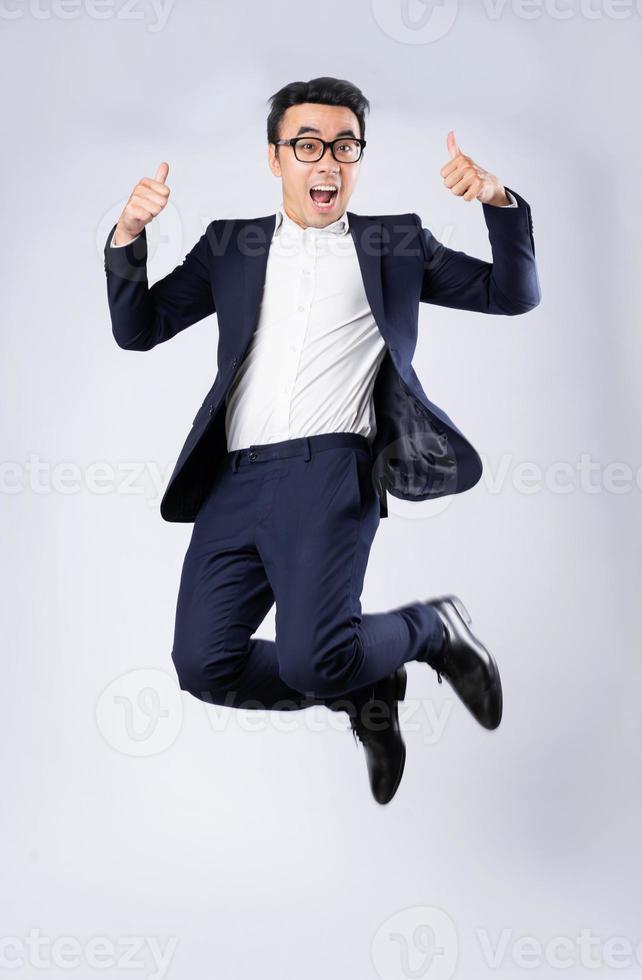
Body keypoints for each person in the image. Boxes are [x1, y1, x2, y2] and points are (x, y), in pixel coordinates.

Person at [103, 76, 540, 805]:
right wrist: (127, 237)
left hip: (331, 471)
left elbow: (511, 293)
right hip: (233, 483)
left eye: (344, 145)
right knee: (205, 665)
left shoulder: (393, 241)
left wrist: (498, 202)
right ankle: (364, 690)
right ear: (275, 159)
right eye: (307, 145)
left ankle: (431, 628)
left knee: (314, 657)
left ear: (359, 157)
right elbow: (137, 329)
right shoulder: (229, 246)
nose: (327, 161)